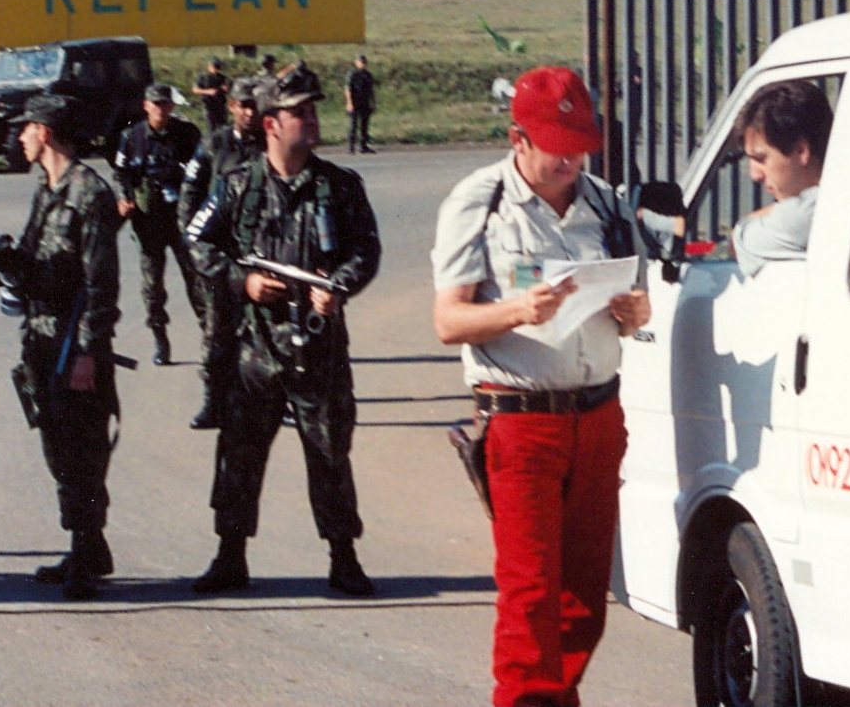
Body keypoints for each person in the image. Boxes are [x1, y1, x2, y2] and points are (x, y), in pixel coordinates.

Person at [431, 65, 652, 707]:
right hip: (520, 420)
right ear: (518, 139)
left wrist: (637, 318)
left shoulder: (606, 202)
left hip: (598, 416)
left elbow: (635, 306)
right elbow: (449, 320)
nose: (572, 161)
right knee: (530, 598)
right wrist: (515, 312)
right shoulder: (479, 202)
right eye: (559, 146)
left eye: (581, 145)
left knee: (583, 601)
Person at [186, 64, 381, 597]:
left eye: (314, 110)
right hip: (256, 347)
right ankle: (230, 555)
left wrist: (337, 285)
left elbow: (366, 250)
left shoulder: (339, 186)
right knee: (239, 455)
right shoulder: (236, 187)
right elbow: (197, 243)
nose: (312, 120)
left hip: (317, 346)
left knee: (329, 453)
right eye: (300, 113)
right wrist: (241, 282)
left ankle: (344, 557)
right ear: (272, 123)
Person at [0, 95, 122, 600]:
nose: (20, 137)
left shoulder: (89, 194)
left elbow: (100, 284)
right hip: (42, 343)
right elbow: (29, 261)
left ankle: (88, 554)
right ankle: (86, 547)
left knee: (83, 452)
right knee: (60, 451)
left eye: (25, 129)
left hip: (74, 345)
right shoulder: (47, 190)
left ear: (44, 132)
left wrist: (89, 353)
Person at [178, 75, 263, 430]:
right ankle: (213, 403)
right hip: (222, 259)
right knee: (217, 332)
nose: (249, 112)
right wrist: (196, 246)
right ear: (231, 107)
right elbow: (190, 197)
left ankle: (276, 399)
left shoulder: (270, 144)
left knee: (268, 333)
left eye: (255, 106)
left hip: (262, 257)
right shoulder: (214, 146)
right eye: (243, 105)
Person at [114, 84, 206, 366]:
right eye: (155, 104)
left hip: (181, 221)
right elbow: (121, 174)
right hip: (148, 222)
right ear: (146, 106)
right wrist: (124, 198)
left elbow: (204, 170)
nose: (160, 109)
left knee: (197, 280)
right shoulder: (132, 137)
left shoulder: (186, 135)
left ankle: (211, 337)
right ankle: (160, 340)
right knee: (152, 289)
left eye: (165, 104)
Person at [729, 79, 833, 277]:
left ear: (802, 150)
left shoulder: (801, 216)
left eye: (761, 159)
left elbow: (737, 243)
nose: (755, 175)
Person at [344, 54, 377, 154]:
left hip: (365, 101)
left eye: (364, 62)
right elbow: (348, 89)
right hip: (355, 102)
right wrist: (349, 103)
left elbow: (371, 90)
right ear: (356, 63)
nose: (362, 64)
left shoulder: (368, 75)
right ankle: (351, 147)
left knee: (364, 125)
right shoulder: (352, 74)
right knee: (353, 125)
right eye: (360, 62)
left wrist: (373, 103)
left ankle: (363, 146)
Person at [191, 57, 230, 133]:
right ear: (209, 66)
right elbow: (195, 90)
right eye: (214, 67)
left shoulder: (222, 77)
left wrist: (225, 89)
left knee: (224, 129)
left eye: (217, 67)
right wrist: (208, 92)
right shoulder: (203, 77)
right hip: (209, 106)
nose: (215, 69)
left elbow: (227, 88)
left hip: (220, 107)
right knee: (211, 130)